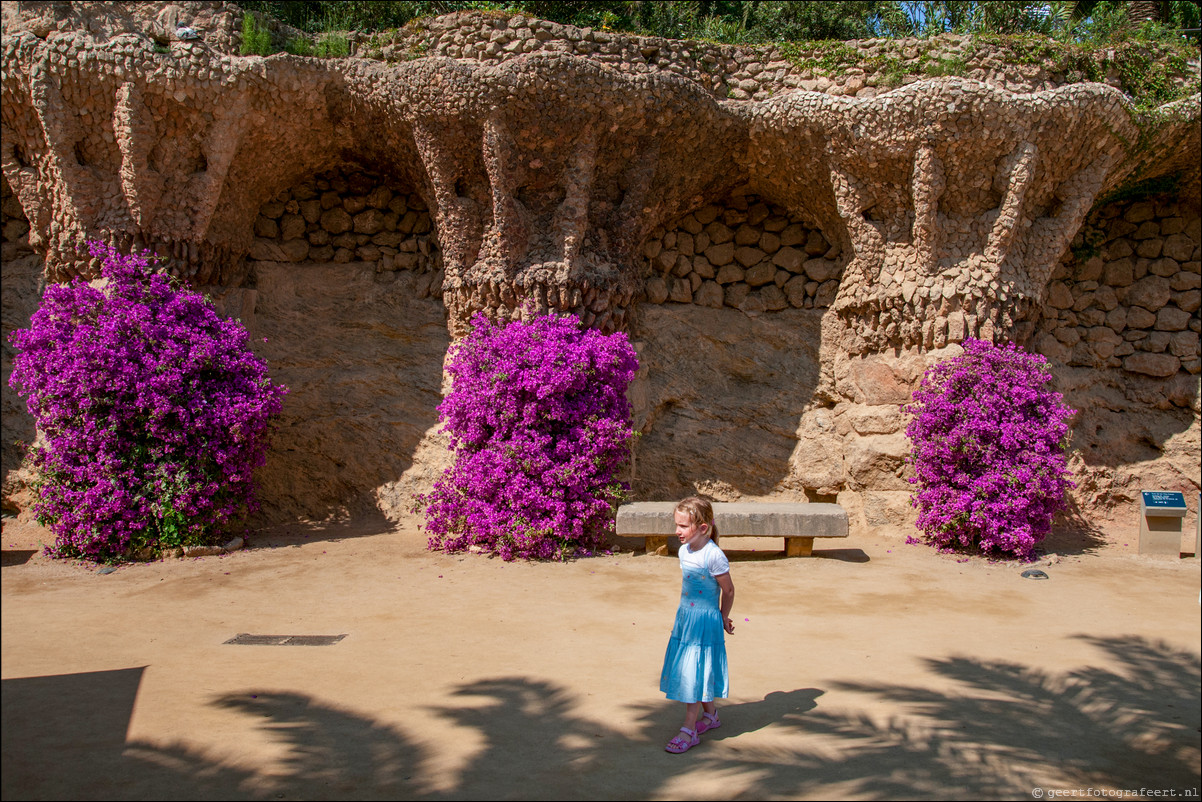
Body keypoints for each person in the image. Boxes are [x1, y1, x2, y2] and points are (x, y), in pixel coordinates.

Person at [660, 496, 735, 754]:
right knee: (697, 670)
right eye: (676, 525)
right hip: (686, 620)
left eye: (682, 526)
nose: (676, 531)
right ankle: (711, 716)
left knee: (693, 673)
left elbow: (729, 590)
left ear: (703, 528)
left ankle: (689, 730)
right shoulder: (684, 551)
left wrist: (724, 616)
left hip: (705, 622)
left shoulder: (714, 556)